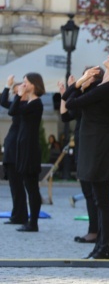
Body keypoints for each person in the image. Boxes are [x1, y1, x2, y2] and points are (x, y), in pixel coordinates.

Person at [64, 58, 109, 259]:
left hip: (98, 147)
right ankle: (101, 246)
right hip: (92, 144)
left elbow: (70, 100)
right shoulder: (100, 86)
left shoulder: (107, 88)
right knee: (99, 200)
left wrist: (79, 83)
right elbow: (68, 102)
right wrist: (80, 82)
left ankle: (107, 248)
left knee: (103, 201)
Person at [60, 75, 99, 245]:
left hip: (90, 146)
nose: (82, 79)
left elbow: (70, 104)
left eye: (85, 76)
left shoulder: (92, 97)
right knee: (88, 192)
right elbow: (65, 116)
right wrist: (66, 92)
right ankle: (94, 230)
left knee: (92, 193)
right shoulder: (83, 98)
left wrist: (72, 90)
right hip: (82, 146)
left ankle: (95, 231)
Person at [8, 73, 45, 233]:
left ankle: (33, 222)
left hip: (30, 149)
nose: (23, 85)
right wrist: (20, 95)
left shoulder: (36, 103)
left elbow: (13, 111)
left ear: (33, 84)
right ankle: (31, 221)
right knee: (28, 185)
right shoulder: (30, 102)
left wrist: (19, 95)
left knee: (32, 187)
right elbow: (13, 110)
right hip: (24, 147)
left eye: (26, 82)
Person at [1, 77, 28, 226]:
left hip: (17, 149)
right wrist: (7, 86)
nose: (17, 92)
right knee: (14, 186)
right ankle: (17, 214)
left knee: (17, 185)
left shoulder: (25, 106)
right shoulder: (18, 105)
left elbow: (5, 103)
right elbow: (4, 101)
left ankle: (20, 215)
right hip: (12, 149)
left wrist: (15, 91)